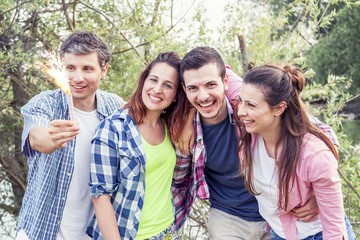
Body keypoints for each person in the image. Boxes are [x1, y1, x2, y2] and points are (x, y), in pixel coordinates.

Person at [171, 46, 341, 240]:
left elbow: (325, 137)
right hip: (227, 217)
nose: (203, 96)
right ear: (184, 90)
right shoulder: (184, 130)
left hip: (276, 218)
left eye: (210, 85)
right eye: (193, 88)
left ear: (225, 81)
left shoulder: (248, 109)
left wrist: (320, 195)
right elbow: (178, 183)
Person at [16, 31, 127, 240]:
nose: (78, 78)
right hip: (40, 233)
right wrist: (51, 139)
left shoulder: (117, 108)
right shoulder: (44, 103)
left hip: (92, 235)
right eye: (70, 68)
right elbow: (37, 138)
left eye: (87, 69)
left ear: (103, 70)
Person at [235, 64, 355, 239]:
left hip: (319, 234)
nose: (240, 112)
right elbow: (214, 74)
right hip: (279, 233)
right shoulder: (249, 134)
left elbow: (335, 229)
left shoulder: (315, 157)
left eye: (251, 105)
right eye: (240, 101)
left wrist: (317, 193)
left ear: (279, 108)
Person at [86, 51, 191, 240]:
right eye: (153, 80)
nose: (157, 89)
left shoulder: (172, 128)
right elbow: (100, 197)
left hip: (169, 232)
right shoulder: (113, 129)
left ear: (176, 95)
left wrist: (190, 115)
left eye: (168, 85)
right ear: (144, 82)